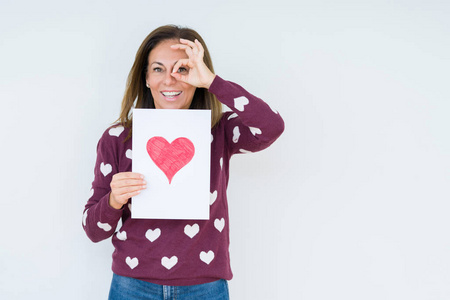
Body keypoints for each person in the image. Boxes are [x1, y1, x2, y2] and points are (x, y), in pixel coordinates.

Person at [82, 24, 284, 300]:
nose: (170, 80)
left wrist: (214, 82)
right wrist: (114, 200)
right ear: (145, 78)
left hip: (205, 286)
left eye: (183, 69)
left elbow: (271, 126)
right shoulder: (117, 138)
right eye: (158, 69)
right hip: (133, 286)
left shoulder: (219, 131)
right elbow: (93, 231)